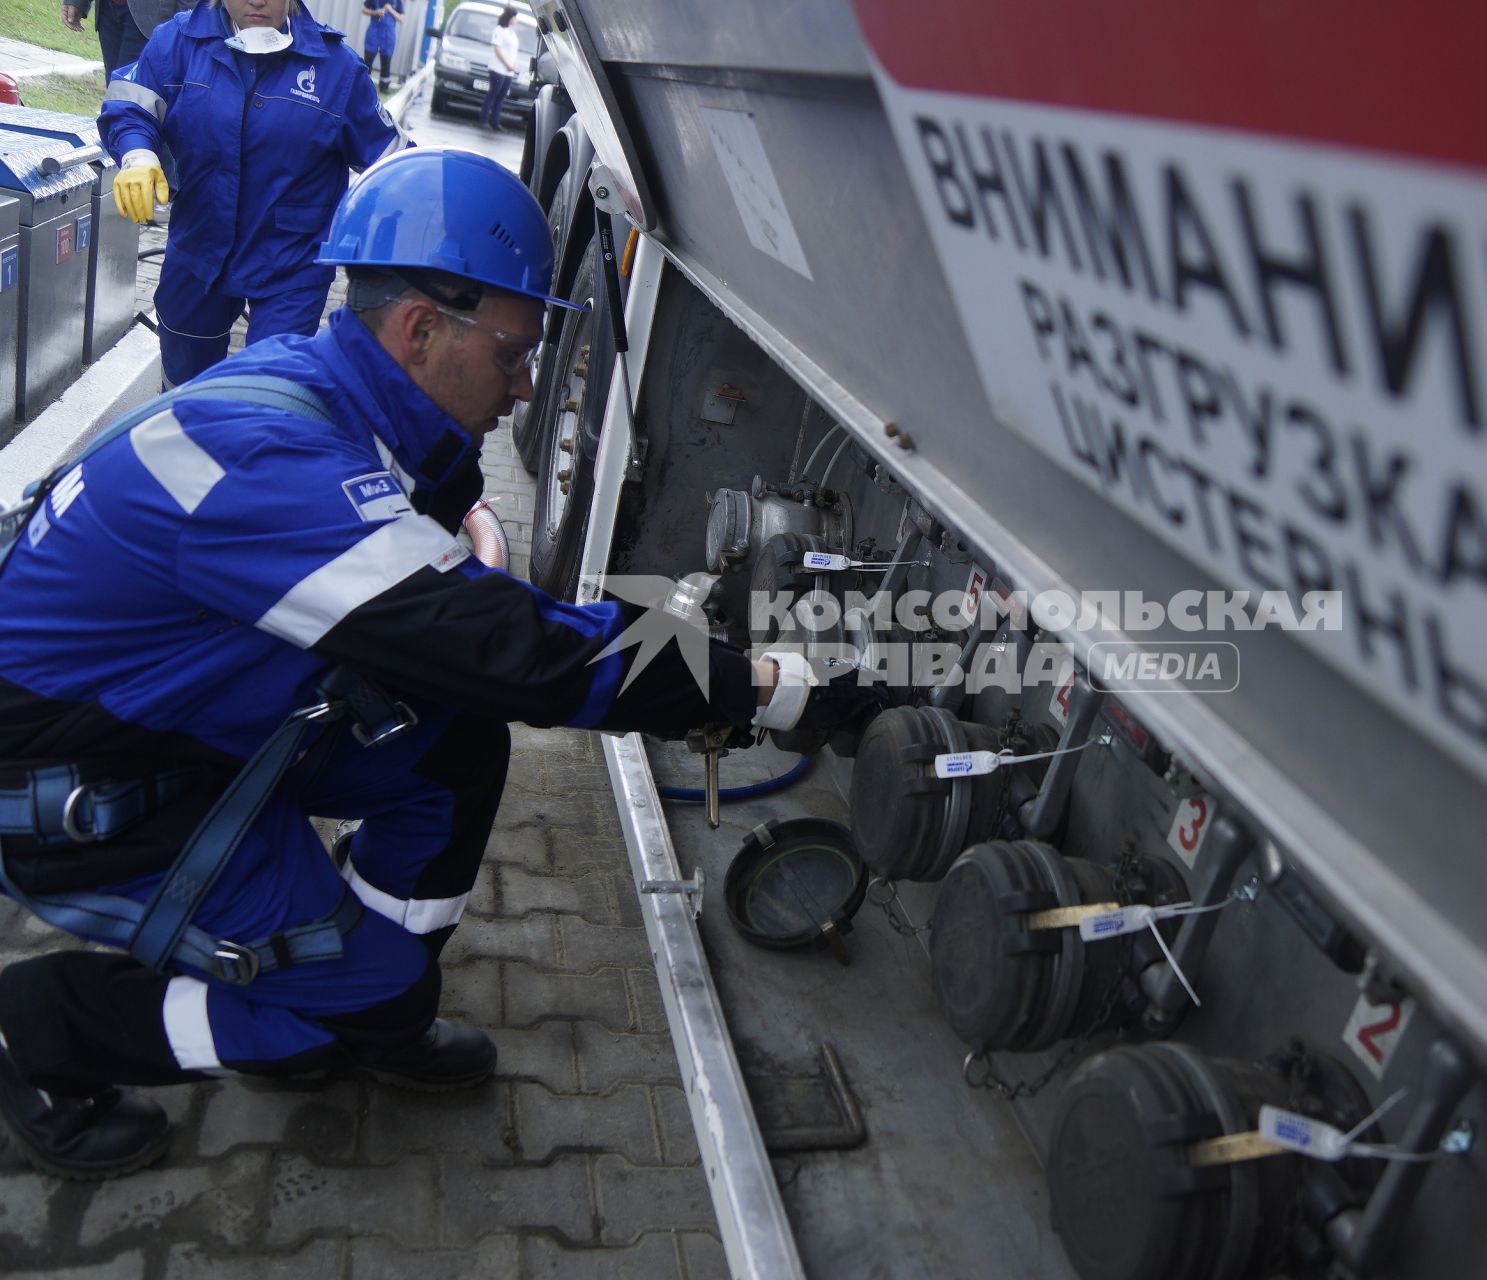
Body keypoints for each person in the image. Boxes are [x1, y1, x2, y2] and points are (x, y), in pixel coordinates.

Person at [0, 147, 875, 1179]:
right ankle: (41, 1033)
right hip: (89, 798)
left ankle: (352, 985)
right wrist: (758, 685)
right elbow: (517, 649)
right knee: (356, 1005)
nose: (526, 384)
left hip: (168, 721)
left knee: (451, 737)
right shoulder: (271, 466)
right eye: (512, 355)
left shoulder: (316, 388)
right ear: (419, 328)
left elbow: (482, 632)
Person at [99, 0, 403, 390]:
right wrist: (137, 153)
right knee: (183, 383)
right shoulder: (179, 41)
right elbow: (130, 102)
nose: (257, 1)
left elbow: (393, 161)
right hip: (199, 248)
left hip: (290, 265)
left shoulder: (336, 69)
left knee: (265, 392)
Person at [57, 0, 190, 76]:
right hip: (108, 12)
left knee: (128, 92)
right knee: (114, 90)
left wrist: (184, 22)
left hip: (152, 19)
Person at [477, 5, 517, 133]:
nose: (516, 20)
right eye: (515, 17)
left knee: (501, 97)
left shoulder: (512, 32)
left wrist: (513, 65)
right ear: (510, 18)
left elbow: (513, 51)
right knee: (493, 94)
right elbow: (497, 49)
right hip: (498, 69)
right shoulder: (499, 30)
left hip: (508, 71)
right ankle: (483, 120)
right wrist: (507, 64)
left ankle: (495, 121)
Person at [359, 0, 401, 93]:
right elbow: (363, 9)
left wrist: (390, 9)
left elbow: (401, 19)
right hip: (374, 30)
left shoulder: (397, 1)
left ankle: (384, 86)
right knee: (368, 59)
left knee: (386, 60)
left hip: (388, 33)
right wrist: (375, 12)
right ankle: (364, 85)